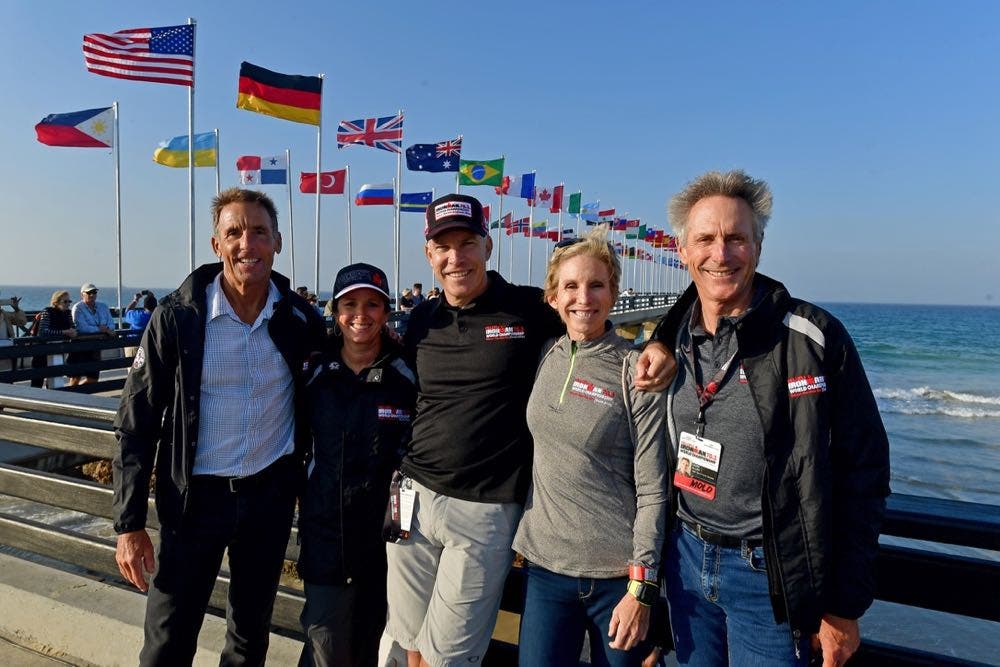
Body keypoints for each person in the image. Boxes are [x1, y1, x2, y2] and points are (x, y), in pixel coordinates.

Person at [378, 194, 673, 666]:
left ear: (488, 247)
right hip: (413, 497)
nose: (456, 257)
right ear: (429, 255)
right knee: (407, 641)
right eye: (444, 247)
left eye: (467, 243)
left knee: (447, 657)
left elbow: (586, 319)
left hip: (485, 505)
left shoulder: (527, 309)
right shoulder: (421, 320)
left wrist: (663, 340)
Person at [651, 170, 890, 666]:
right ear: (683, 250)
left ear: (758, 247)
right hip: (685, 562)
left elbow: (864, 470)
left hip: (768, 576)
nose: (721, 254)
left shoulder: (812, 338)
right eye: (705, 239)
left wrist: (844, 606)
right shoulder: (671, 340)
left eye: (736, 238)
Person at [112, 187, 326, 665]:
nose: (247, 244)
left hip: (268, 498)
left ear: (277, 242)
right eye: (234, 233)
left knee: (249, 636)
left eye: (259, 232)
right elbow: (135, 422)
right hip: (194, 500)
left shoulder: (300, 320)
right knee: (168, 637)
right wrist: (129, 524)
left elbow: (340, 373)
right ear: (216, 245)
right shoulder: (178, 317)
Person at [513, 228, 668, 666]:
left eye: (596, 285)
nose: (584, 298)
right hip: (545, 569)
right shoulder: (546, 353)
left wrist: (642, 587)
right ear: (553, 297)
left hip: (616, 578)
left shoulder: (634, 371)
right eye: (571, 286)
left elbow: (654, 489)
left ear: (613, 294)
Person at [297, 262, 417, 667]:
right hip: (325, 536)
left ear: (386, 312)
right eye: (349, 304)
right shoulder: (313, 370)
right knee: (325, 646)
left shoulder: (408, 372)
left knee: (369, 649)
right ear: (335, 311)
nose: (360, 315)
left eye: (372, 304)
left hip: (385, 544)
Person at [68, 283, 115, 385]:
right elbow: (82, 328)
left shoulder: (103, 306)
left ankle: (80, 393)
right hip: (79, 346)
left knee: (93, 378)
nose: (92, 295)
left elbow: (111, 324)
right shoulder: (78, 308)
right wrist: (101, 329)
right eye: (89, 293)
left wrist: (105, 329)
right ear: (82, 294)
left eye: (94, 292)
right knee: (75, 378)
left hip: (95, 346)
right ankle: (72, 394)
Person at [29, 290, 77, 388]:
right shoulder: (47, 312)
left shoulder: (68, 313)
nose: (68, 304)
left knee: (54, 378)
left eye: (69, 301)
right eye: (65, 301)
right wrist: (64, 332)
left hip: (57, 349)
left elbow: (72, 327)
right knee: (37, 381)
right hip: (41, 350)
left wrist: (73, 332)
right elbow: (43, 332)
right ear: (56, 302)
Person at [0, 292, 27, 375]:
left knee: (7, 378)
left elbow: (22, 322)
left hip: (6, 355)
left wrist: (17, 309)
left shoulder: (5, 314)